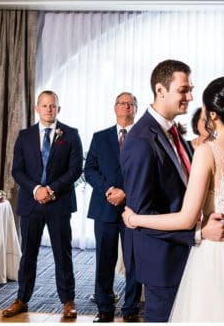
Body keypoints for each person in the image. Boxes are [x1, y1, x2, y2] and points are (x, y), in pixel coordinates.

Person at [124, 77, 224, 323]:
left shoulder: (207, 151)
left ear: (212, 114)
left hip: (218, 253)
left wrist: (135, 218)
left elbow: (186, 219)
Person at [120, 59, 224, 322]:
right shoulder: (141, 142)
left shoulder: (174, 133)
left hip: (187, 258)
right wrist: (198, 233)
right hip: (163, 262)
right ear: (160, 90)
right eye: (183, 90)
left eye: (191, 89)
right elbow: (142, 218)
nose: (190, 96)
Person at [3, 91, 83, 320]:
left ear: (59, 108)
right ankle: (22, 299)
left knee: (62, 254)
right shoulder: (24, 135)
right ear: (37, 108)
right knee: (28, 254)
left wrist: (52, 189)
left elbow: (75, 169)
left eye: (53, 106)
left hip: (59, 204)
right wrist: (36, 189)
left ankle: (68, 301)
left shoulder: (70, 134)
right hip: (31, 203)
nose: (49, 109)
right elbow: (17, 169)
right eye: (45, 105)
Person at [84, 92, 143, 324]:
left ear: (136, 109)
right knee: (104, 260)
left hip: (135, 209)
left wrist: (126, 194)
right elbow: (89, 170)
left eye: (131, 104)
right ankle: (105, 307)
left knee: (133, 261)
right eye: (122, 103)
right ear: (114, 107)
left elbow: (148, 173)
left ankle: (130, 309)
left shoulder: (144, 137)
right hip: (104, 207)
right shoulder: (100, 137)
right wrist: (110, 190)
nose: (126, 106)